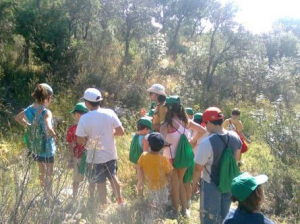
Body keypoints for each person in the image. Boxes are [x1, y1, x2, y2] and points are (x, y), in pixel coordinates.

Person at [76, 88, 125, 206]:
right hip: (110, 153)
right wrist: (109, 133)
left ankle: (104, 205)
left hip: (94, 156)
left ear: (87, 103)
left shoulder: (84, 118)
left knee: (100, 182)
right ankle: (120, 202)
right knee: (113, 177)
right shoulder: (110, 113)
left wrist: (89, 138)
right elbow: (121, 131)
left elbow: (80, 141)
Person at [192, 107, 242, 224]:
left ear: (209, 122)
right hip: (228, 182)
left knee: (209, 217)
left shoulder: (207, 142)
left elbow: (198, 168)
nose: (205, 126)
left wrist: (194, 184)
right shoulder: (235, 136)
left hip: (211, 184)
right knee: (224, 217)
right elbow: (237, 159)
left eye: (206, 123)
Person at [160, 96, 206, 217]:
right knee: (180, 182)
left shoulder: (166, 125)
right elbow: (202, 130)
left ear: (168, 108)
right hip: (185, 157)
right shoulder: (186, 122)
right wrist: (193, 140)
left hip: (170, 158)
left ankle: (175, 211)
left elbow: (161, 141)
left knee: (174, 185)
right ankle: (185, 210)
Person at [15, 83, 56, 195]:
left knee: (41, 171)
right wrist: (53, 133)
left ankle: (43, 193)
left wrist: (28, 125)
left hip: (35, 145)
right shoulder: (46, 112)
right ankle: (50, 195)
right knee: (50, 172)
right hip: (47, 147)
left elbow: (17, 118)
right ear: (48, 97)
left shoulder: (29, 108)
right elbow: (48, 125)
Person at [137, 132, 173, 220]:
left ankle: (150, 219)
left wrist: (140, 181)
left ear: (148, 144)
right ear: (162, 146)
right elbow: (170, 173)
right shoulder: (163, 159)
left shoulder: (144, 155)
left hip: (150, 186)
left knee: (152, 204)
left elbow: (139, 167)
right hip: (162, 186)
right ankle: (161, 218)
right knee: (162, 204)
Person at [66, 102, 88, 198]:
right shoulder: (90, 127)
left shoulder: (72, 129)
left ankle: (74, 197)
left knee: (76, 178)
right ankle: (90, 197)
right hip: (90, 155)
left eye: (75, 114)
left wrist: (71, 157)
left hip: (78, 156)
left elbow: (70, 145)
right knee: (91, 177)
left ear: (78, 115)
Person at [129, 117, 153, 196]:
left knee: (140, 179)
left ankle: (140, 197)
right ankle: (150, 196)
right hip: (143, 163)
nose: (149, 131)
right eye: (149, 129)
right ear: (146, 128)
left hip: (136, 161)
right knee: (149, 179)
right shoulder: (144, 139)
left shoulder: (134, 136)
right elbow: (145, 153)